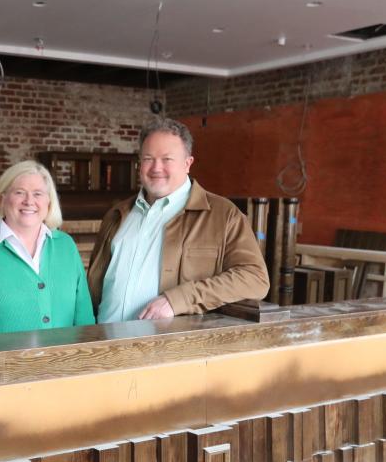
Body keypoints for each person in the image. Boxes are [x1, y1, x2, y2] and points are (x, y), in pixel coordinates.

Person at [88, 117, 268, 321]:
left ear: (187, 163)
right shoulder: (117, 214)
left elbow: (255, 278)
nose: (156, 168)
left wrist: (179, 300)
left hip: (167, 348)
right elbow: (95, 288)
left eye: (167, 159)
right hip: (103, 344)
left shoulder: (224, 215)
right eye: (148, 158)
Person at [0, 160, 94, 337]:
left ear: (49, 201)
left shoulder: (66, 246)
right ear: (2, 198)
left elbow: (85, 319)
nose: (29, 201)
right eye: (20, 192)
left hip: (63, 364)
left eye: (38, 194)